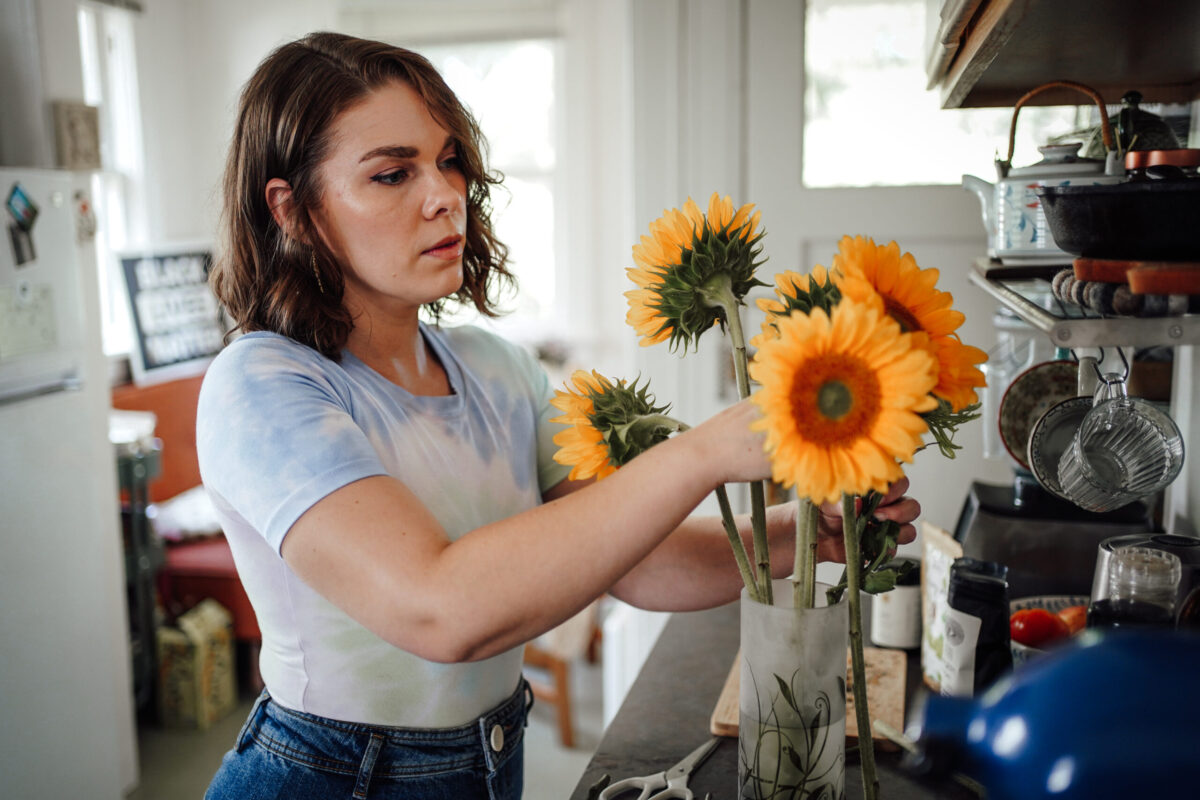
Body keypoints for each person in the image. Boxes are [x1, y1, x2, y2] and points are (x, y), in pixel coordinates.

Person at [197, 31, 920, 800]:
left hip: (489, 760)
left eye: (448, 161)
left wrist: (801, 537)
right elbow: (440, 611)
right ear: (294, 210)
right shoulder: (263, 385)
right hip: (330, 776)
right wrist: (702, 453)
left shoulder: (495, 367)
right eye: (391, 173)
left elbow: (632, 558)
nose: (445, 194)